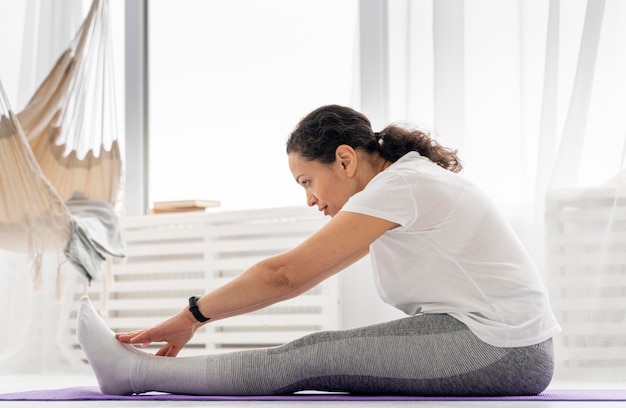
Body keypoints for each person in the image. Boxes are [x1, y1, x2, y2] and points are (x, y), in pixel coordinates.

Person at [77, 104, 561, 396]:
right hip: (504, 344)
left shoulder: (402, 185)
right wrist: (198, 320)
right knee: (314, 352)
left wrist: (189, 317)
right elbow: (302, 277)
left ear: (345, 159)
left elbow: (284, 274)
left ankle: (132, 372)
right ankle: (136, 371)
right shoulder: (400, 187)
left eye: (307, 181)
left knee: (308, 357)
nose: (309, 198)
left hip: (499, 347)